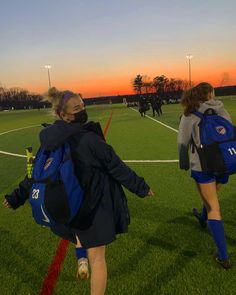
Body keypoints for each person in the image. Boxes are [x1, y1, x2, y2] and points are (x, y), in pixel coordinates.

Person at [3, 87, 154, 295]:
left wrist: (17, 197)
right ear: (62, 114)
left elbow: (37, 174)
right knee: (98, 259)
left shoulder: (49, 141)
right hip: (93, 207)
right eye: (77, 108)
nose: (82, 110)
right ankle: (85, 264)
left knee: (80, 238)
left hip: (69, 205)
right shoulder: (89, 139)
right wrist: (142, 187)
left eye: (82, 105)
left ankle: (80, 259)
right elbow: (116, 167)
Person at [178, 82, 232, 269]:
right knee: (211, 197)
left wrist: (184, 164)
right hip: (224, 164)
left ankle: (223, 256)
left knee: (213, 207)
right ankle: (202, 219)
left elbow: (182, 143)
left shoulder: (190, 114)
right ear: (210, 94)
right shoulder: (222, 110)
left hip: (203, 167)